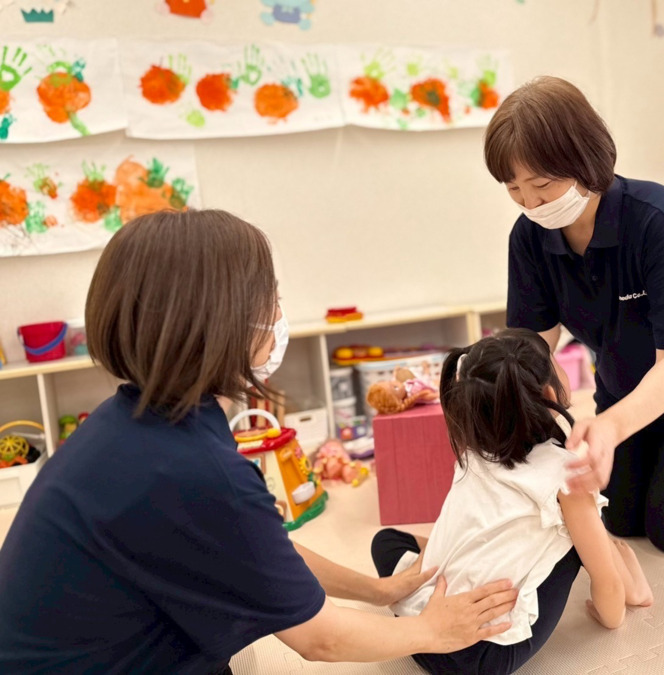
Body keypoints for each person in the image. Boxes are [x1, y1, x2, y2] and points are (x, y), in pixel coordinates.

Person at [0, 209, 518, 674]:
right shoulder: (193, 469)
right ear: (222, 323)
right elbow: (321, 640)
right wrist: (433, 630)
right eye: (270, 300)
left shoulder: (135, 421)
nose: (277, 315)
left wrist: (379, 590)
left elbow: (254, 548)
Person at [484, 76, 664, 555]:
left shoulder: (659, 219)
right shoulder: (529, 237)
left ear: (584, 159)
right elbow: (533, 344)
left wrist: (609, 427)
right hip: (624, 389)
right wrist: (508, 405)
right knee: (622, 519)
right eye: (514, 189)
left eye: (542, 185)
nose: (531, 204)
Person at [371, 329, 653, 675]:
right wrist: (609, 614)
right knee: (583, 531)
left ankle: (456, 563)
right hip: (482, 659)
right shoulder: (567, 472)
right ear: (550, 393)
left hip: (414, 628)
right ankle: (635, 587)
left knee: (385, 541)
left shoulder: (473, 451)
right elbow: (605, 587)